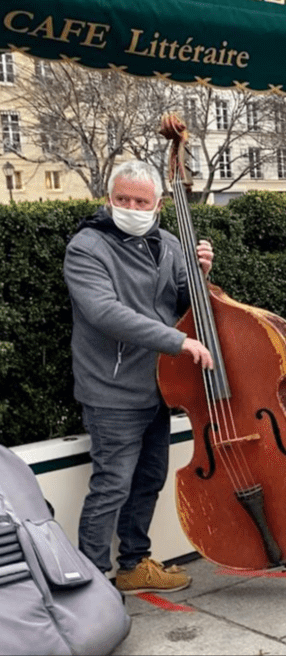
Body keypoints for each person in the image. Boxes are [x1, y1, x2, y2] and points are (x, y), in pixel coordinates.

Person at [65, 160, 214, 593]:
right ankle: (91, 583)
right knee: (111, 486)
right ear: (109, 200)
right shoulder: (87, 246)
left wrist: (202, 275)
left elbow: (189, 300)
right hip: (110, 390)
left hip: (159, 387)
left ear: (158, 205)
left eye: (140, 201)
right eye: (123, 199)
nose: (131, 207)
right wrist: (177, 342)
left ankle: (133, 563)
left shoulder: (167, 242)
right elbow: (104, 312)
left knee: (149, 478)